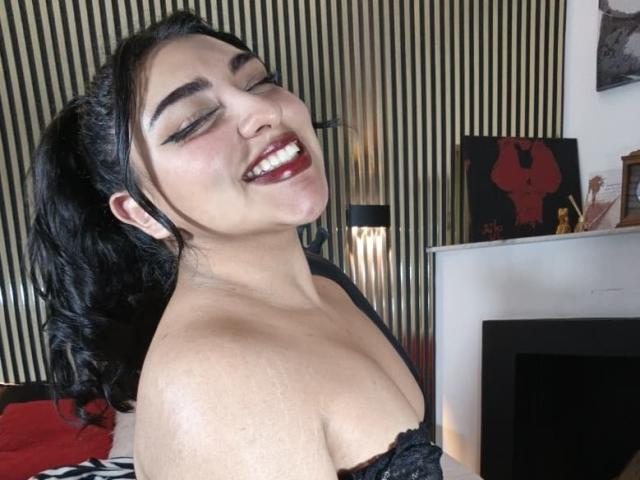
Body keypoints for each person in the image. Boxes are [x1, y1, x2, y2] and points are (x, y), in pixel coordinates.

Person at [28, 11, 442, 480]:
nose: (264, 111)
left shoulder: (327, 285)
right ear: (141, 211)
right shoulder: (213, 379)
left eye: (259, 81)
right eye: (194, 121)